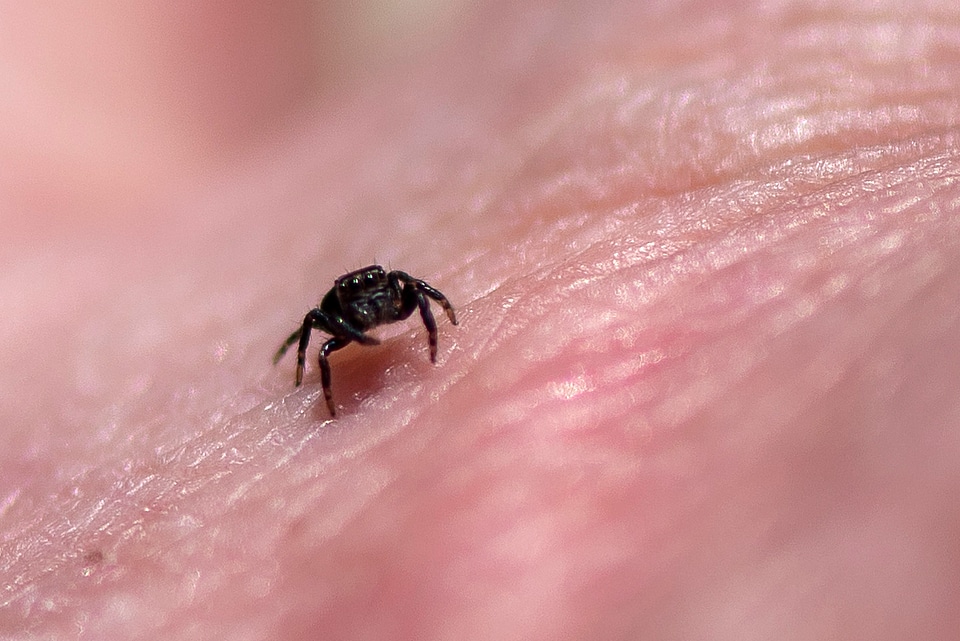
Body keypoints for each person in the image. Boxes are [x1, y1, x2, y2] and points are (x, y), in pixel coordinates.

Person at [2, 1, 959, 638]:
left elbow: (406, 290)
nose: (379, 298)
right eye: (363, 301)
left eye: (386, 293)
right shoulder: (335, 317)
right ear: (345, 311)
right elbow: (317, 330)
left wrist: (430, 327)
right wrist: (315, 382)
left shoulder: (388, 290)